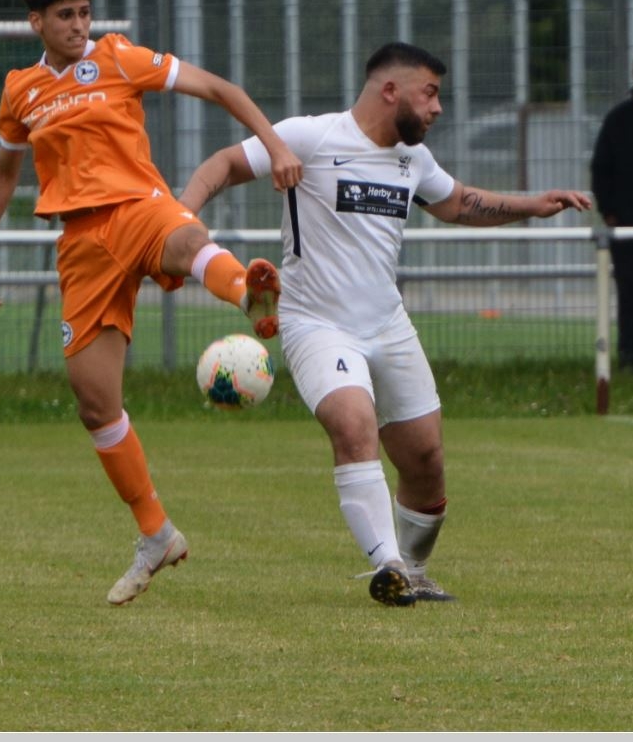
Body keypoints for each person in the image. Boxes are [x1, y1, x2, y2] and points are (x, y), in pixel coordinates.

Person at [180, 41, 591, 607]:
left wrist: (534, 204)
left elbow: (458, 203)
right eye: (431, 94)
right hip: (316, 323)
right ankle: (388, 565)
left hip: (387, 324)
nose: (438, 108)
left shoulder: (412, 159)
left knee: (425, 459)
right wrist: (183, 218)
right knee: (355, 428)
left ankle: (414, 570)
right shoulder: (310, 136)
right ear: (391, 90)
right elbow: (223, 164)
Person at [0, 0, 303, 606]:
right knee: (95, 403)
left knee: (186, 241)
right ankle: (156, 534)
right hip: (80, 243)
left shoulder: (120, 58)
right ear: (36, 22)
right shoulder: (21, 90)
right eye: (65, 16)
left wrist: (274, 145)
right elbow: (4, 173)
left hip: (139, 207)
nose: (79, 26)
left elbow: (220, 88)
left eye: (84, 14)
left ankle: (250, 291)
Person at [591, 49, 633, 375]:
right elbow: (601, 168)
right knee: (631, 298)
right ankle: (632, 362)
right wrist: (610, 212)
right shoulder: (619, 120)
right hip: (629, 228)